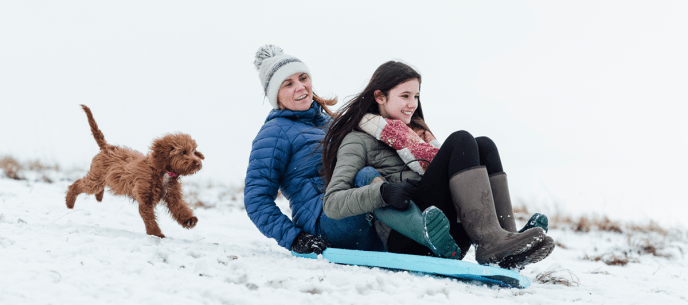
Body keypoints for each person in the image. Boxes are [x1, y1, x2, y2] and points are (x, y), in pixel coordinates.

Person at [321, 61, 554, 268]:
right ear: (380, 97)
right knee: (461, 140)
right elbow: (332, 203)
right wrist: (383, 192)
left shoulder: (418, 135)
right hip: (408, 236)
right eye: (405, 96)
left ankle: (506, 240)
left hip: (447, 236)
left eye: (416, 96)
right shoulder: (357, 139)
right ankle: (490, 241)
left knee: (484, 145)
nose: (412, 104)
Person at [244, 45, 383, 255]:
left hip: (356, 211)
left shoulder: (330, 122)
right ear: (276, 96)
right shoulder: (273, 133)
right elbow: (256, 198)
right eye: (288, 84)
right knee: (367, 177)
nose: (300, 87)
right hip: (324, 220)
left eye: (303, 78)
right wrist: (295, 238)